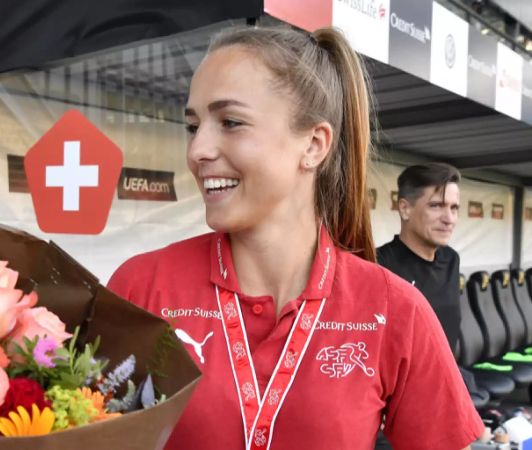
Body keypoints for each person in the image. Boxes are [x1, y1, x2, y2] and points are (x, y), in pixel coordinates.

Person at [108, 26, 482, 450]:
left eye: (230, 122)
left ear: (314, 144)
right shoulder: (141, 286)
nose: (197, 151)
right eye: (193, 126)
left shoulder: (396, 311)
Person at [377, 163, 461, 352]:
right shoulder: (378, 265)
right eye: (436, 205)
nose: (449, 219)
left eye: (454, 208)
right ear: (405, 209)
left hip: (450, 378)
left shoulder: (451, 260)